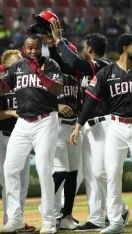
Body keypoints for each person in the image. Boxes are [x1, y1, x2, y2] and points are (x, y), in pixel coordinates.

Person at [49, 20, 130, 231]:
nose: (84, 50)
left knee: (103, 172)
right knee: (92, 173)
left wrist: (59, 40)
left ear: (90, 49)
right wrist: (51, 45)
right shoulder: (88, 69)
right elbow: (66, 65)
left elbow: (74, 64)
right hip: (88, 127)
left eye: (86, 47)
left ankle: (119, 209)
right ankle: (95, 217)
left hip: (105, 125)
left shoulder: (103, 66)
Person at [70, 33, 132, 234]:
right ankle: (116, 221)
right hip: (115, 127)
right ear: (125, 48)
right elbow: (90, 101)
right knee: (112, 173)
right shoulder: (106, 73)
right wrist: (78, 126)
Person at [0, 34, 63, 233]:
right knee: (10, 168)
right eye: (29, 48)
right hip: (22, 121)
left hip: (46, 120)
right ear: (23, 48)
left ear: (41, 49)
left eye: (36, 48)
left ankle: (49, 220)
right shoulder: (17, 67)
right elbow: (2, 91)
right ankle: (15, 218)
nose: (32, 52)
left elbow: (57, 90)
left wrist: (39, 73)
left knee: (44, 169)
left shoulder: (51, 65)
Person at [0, 49, 35, 233]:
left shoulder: (25, 83)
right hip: (4, 136)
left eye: (21, 62)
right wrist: (10, 113)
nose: (20, 65)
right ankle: (10, 220)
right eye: (16, 63)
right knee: (9, 181)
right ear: (5, 67)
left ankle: (17, 220)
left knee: (23, 183)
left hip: (23, 137)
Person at [46, 37, 81, 230]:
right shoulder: (50, 73)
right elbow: (38, 97)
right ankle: (48, 210)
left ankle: (66, 215)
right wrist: (56, 105)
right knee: (61, 171)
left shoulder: (77, 76)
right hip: (56, 124)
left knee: (73, 172)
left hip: (74, 125)